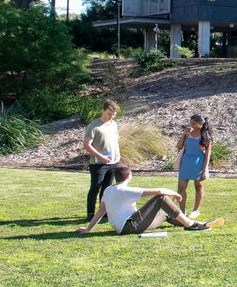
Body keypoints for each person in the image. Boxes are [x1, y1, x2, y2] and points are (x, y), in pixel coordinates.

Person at [77, 163, 223, 235]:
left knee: (166, 213)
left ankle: (196, 224)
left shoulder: (108, 190)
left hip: (123, 228)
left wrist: (88, 229)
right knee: (161, 199)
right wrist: (176, 194)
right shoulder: (126, 190)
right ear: (129, 176)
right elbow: (159, 192)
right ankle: (191, 225)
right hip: (130, 226)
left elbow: (101, 212)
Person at [83, 99, 121, 221]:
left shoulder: (114, 124)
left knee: (107, 189)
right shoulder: (94, 126)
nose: (111, 116)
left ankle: (103, 212)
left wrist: (117, 157)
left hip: (113, 163)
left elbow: (115, 141)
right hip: (98, 164)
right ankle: (90, 213)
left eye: (114, 114)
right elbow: (86, 145)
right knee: (95, 188)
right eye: (109, 113)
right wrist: (101, 157)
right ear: (103, 111)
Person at [176, 114, 212, 218]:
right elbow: (179, 146)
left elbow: (207, 155)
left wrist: (205, 170)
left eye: (194, 124)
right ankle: (182, 211)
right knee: (181, 188)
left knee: (199, 186)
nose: (191, 125)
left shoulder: (206, 136)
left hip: (199, 163)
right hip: (186, 162)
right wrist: (183, 134)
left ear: (201, 124)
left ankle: (196, 210)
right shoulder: (187, 133)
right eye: (190, 123)